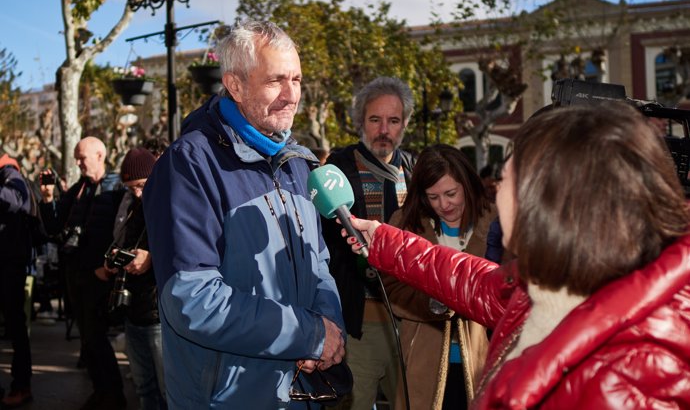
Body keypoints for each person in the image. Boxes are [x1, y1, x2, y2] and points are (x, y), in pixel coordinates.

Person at [342, 102, 690, 408]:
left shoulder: (629, 366)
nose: (498, 188)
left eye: (508, 176)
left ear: (550, 198)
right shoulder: (555, 282)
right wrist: (384, 240)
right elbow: (471, 280)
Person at [142, 20, 345, 408]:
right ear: (235, 85)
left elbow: (320, 265)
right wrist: (309, 334)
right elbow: (192, 299)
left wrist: (328, 326)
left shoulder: (299, 164)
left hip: (303, 393)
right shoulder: (188, 165)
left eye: (297, 80)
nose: (291, 95)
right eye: (276, 81)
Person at [321, 76, 416, 410]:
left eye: (393, 121)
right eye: (375, 120)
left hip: (409, 324)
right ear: (361, 121)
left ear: (404, 124)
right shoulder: (339, 169)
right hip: (360, 324)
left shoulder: (413, 170)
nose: (384, 130)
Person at [384, 144, 494, 410]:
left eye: (451, 193)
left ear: (467, 184)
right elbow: (390, 287)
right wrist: (429, 303)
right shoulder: (405, 224)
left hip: (485, 360)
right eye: (433, 197)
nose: (443, 205)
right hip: (423, 361)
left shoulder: (496, 221)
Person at [39, 136, 126, 410]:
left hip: (100, 275)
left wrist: (109, 267)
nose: (77, 162)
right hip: (76, 273)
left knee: (97, 338)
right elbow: (53, 227)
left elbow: (125, 233)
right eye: (77, 157)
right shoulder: (78, 189)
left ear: (100, 156)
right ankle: (101, 393)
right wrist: (48, 199)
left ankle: (114, 395)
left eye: (82, 158)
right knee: (88, 340)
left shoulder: (117, 189)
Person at [101, 147, 166, 410]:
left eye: (141, 185)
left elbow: (188, 254)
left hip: (160, 317)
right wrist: (115, 258)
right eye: (131, 188)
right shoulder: (131, 206)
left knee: (168, 390)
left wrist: (152, 256)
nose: (137, 193)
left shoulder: (171, 202)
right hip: (133, 313)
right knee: (144, 388)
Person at [0, 153, 33, 408]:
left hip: (9, 266)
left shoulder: (12, 175)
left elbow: (15, 200)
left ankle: (21, 385)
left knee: (15, 325)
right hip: (7, 263)